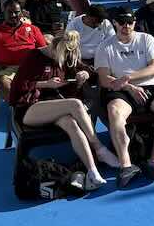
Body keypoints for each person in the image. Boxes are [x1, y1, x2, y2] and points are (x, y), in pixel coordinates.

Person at [8, 31, 120, 192]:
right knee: (75, 104)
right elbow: (18, 86)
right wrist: (46, 84)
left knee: (72, 124)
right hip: (30, 109)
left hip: (55, 106)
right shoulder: (33, 57)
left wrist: (85, 74)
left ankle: (92, 170)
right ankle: (99, 148)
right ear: (53, 47)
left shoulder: (66, 56)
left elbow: (91, 73)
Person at [95, 7, 154, 188]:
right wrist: (128, 86)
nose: (127, 26)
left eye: (130, 22)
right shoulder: (105, 46)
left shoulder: (146, 39)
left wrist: (127, 77)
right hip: (122, 89)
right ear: (115, 23)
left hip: (149, 85)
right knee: (114, 110)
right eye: (122, 22)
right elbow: (103, 79)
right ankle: (126, 165)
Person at [0, 0, 45, 100]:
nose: (13, 15)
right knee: (2, 82)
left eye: (16, 12)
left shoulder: (33, 29)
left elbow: (43, 50)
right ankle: (21, 105)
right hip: (8, 70)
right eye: (9, 12)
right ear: (4, 12)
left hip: (32, 67)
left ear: (22, 13)